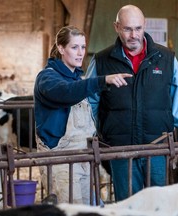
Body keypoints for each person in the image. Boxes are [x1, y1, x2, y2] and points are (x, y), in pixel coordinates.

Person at [85, 5, 178, 201]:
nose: (133, 35)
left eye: (138, 28)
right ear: (116, 27)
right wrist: (97, 136)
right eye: (127, 29)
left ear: (145, 26)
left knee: (161, 206)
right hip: (120, 150)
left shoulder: (166, 59)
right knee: (128, 205)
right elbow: (89, 104)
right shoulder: (102, 60)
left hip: (158, 150)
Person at [33, 25, 132, 204]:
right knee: (72, 210)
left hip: (83, 157)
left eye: (83, 47)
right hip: (60, 161)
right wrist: (102, 80)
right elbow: (66, 92)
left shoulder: (77, 80)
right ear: (61, 48)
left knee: (88, 210)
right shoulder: (47, 78)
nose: (80, 53)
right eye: (74, 47)